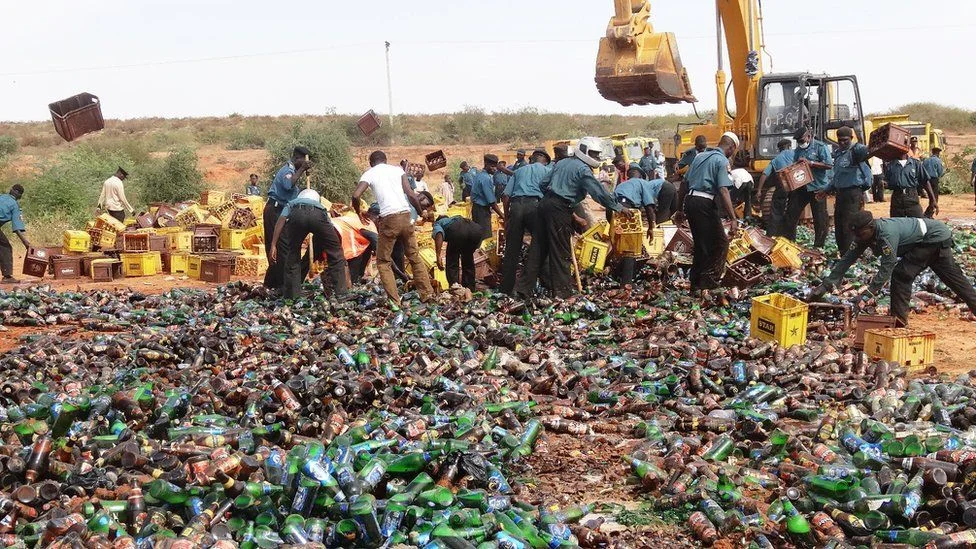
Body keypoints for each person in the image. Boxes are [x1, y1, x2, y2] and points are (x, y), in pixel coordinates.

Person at [811, 210, 976, 325]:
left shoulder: (886, 235)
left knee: (901, 274)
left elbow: (887, 267)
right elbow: (847, 259)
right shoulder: (864, 235)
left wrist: (867, 295)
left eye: (860, 234)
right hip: (930, 238)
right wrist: (826, 285)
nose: (858, 238)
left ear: (870, 227)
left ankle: (899, 321)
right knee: (955, 279)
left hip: (934, 239)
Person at [515, 137, 628, 299]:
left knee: (537, 249)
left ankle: (523, 290)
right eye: (594, 154)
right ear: (584, 152)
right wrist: (618, 207)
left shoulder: (561, 163)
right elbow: (599, 193)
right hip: (559, 209)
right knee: (561, 252)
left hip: (544, 205)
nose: (596, 158)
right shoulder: (583, 169)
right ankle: (563, 293)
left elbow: (543, 184)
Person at [351, 150, 434, 304]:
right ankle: (427, 294)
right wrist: (421, 212)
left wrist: (358, 212)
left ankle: (395, 301)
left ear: (371, 162)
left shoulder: (369, 174)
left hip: (389, 219)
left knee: (383, 261)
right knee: (414, 256)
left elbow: (356, 196)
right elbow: (410, 193)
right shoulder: (398, 170)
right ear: (385, 160)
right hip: (406, 215)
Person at [674, 132, 740, 293]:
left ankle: (696, 284)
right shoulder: (722, 160)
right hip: (704, 202)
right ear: (731, 147)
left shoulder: (699, 157)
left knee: (702, 244)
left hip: (691, 201)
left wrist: (679, 209)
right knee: (720, 243)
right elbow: (723, 189)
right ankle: (709, 284)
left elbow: (684, 183)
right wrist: (733, 218)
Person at [269, 189, 348, 300]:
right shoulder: (320, 206)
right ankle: (341, 293)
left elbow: (281, 220)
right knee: (336, 254)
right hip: (318, 215)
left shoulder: (292, 203)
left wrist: (273, 244)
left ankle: (292, 296)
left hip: (297, 215)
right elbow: (329, 226)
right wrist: (334, 246)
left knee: (293, 254)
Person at [500, 148, 552, 294]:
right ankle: (544, 284)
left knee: (511, 249)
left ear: (532, 159)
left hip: (516, 207)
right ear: (545, 161)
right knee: (540, 245)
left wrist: (506, 218)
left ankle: (506, 288)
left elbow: (505, 196)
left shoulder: (519, 171)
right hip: (534, 206)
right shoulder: (547, 171)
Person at [264, 146, 312, 290]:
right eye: (303, 161)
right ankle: (281, 284)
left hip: (283, 211)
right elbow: (288, 185)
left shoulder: (293, 171)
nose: (304, 163)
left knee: (284, 246)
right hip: (275, 210)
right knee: (280, 247)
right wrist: (301, 169)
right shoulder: (287, 170)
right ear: (297, 158)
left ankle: (272, 283)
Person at [783, 127, 832, 248]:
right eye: (798, 141)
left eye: (802, 140)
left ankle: (818, 246)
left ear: (809, 137)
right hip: (802, 187)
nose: (801, 143)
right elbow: (795, 165)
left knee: (820, 219)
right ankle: (790, 243)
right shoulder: (798, 150)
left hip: (817, 187)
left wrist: (811, 163)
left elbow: (829, 165)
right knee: (791, 214)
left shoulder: (821, 147)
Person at [827, 126, 871, 255]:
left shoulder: (856, 151)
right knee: (839, 225)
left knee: (849, 226)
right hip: (840, 194)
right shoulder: (839, 154)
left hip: (853, 194)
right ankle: (842, 252)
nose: (842, 143)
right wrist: (826, 190)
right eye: (840, 140)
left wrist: (861, 136)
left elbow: (867, 150)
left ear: (851, 139)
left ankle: (850, 255)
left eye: (845, 140)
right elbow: (838, 177)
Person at [432, 215, 485, 291]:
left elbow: (439, 233)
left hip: (458, 232)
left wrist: (438, 255)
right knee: (468, 260)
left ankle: (455, 287)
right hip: (477, 231)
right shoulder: (456, 219)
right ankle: (469, 288)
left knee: (452, 261)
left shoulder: (439, 223)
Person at [755, 139, 794, 238]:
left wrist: (759, 190)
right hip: (796, 187)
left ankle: (771, 236)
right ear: (789, 146)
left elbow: (764, 174)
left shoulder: (776, 160)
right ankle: (790, 237)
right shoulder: (795, 154)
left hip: (782, 187)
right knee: (793, 212)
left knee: (776, 212)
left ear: (779, 149)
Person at [612, 163, 661, 239]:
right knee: (630, 234)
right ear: (640, 175)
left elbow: (611, 203)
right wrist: (651, 227)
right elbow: (649, 207)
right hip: (628, 206)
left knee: (618, 233)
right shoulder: (642, 183)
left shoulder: (621, 185)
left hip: (616, 207)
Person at [884, 151, 935, 219]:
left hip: (912, 197)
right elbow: (888, 183)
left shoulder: (915, 164)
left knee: (919, 223)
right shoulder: (890, 165)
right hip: (897, 199)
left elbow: (925, 181)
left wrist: (932, 200)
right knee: (897, 225)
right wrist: (885, 184)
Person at [332, 208, 376, 284]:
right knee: (354, 255)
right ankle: (352, 282)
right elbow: (381, 253)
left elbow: (367, 252)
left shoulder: (361, 218)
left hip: (330, 224)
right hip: (342, 229)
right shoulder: (371, 227)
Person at [0, 185, 30, 284]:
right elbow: (17, 228)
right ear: (19, 195)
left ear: (11, 190)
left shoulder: (2, 196)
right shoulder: (14, 205)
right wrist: (25, 242)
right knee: (5, 247)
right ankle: (7, 276)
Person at [470, 154, 504, 238]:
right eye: (492, 166)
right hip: (482, 211)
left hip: (476, 209)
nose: (495, 169)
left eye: (495, 166)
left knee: (478, 235)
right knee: (485, 237)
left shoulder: (479, 175)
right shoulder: (486, 179)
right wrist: (502, 215)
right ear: (486, 164)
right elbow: (492, 201)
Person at [922, 147, 945, 217]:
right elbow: (940, 172)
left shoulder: (926, 160)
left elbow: (922, 170)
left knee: (930, 196)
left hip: (925, 180)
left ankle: (928, 213)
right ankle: (928, 214)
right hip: (934, 180)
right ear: (938, 153)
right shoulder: (938, 161)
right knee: (934, 197)